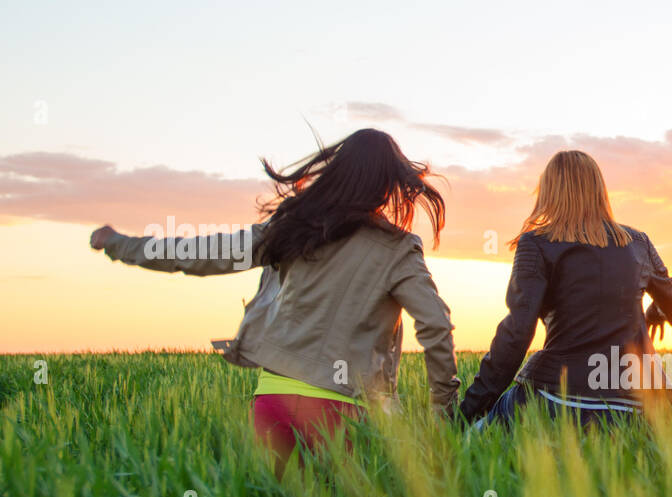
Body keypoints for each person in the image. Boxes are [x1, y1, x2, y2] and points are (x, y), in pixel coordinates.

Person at [89, 128, 460, 476]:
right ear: (388, 185)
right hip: (345, 410)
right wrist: (443, 411)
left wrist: (120, 244)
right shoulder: (397, 249)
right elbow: (436, 325)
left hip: (273, 403)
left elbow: (200, 253)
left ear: (337, 173)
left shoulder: (293, 228)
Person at [458, 150, 672, 428]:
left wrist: (466, 414)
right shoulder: (638, 243)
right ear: (600, 191)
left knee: (475, 440)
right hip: (642, 407)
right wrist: (656, 310)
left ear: (548, 193)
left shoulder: (535, 243)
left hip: (557, 398)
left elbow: (517, 333)